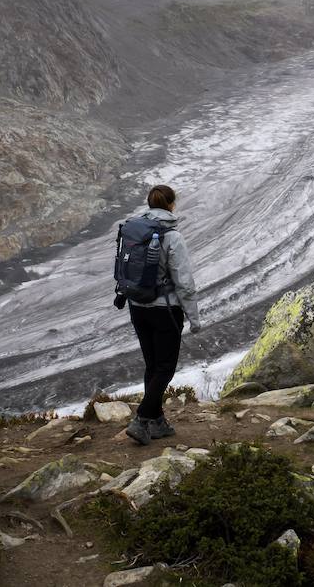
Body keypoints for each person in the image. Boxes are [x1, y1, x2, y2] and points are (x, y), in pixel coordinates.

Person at [123, 184, 201, 445]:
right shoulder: (172, 236)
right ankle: (142, 418)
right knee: (165, 367)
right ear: (171, 205)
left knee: (153, 366)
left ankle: (156, 422)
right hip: (164, 309)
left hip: (138, 307)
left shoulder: (134, 229)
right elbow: (184, 282)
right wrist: (194, 317)